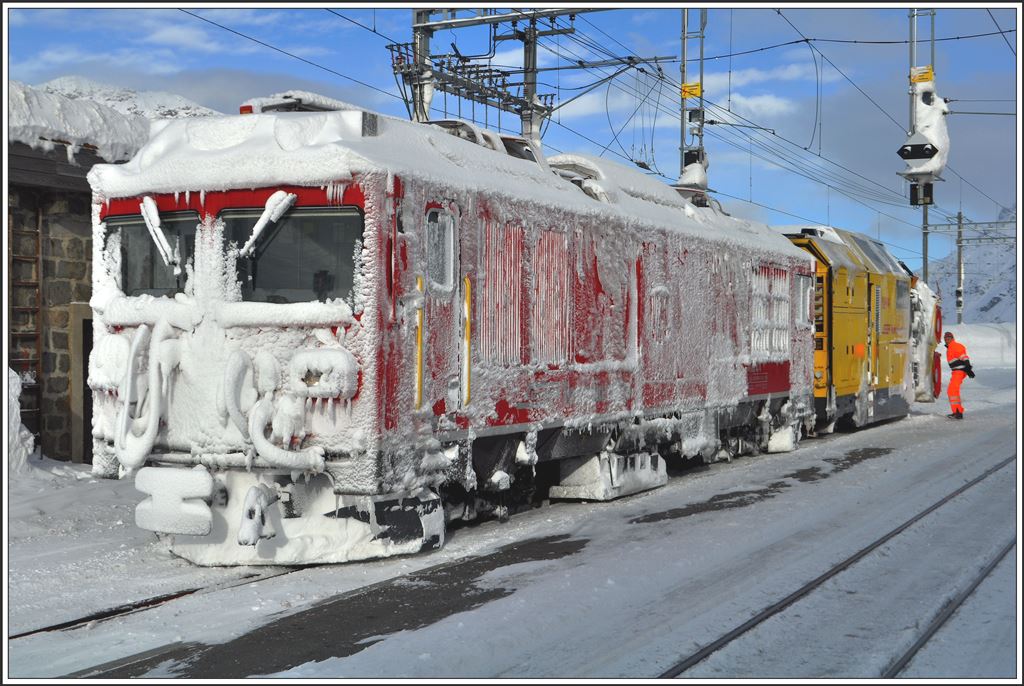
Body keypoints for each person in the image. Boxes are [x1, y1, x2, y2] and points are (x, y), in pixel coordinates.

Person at [943, 331, 974, 419]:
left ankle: (957, 412)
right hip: (956, 371)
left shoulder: (955, 346)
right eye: (945, 339)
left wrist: (967, 366)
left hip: (959, 372)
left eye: (949, 338)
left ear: (952, 338)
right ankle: (957, 412)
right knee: (953, 391)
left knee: (952, 391)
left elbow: (963, 356)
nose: (947, 340)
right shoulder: (950, 347)